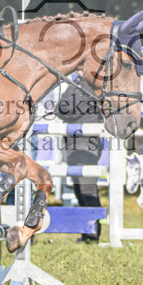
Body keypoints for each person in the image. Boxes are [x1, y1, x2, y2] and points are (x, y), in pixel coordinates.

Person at [55, 78, 104, 243]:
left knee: (87, 189)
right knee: (79, 190)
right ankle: (87, 232)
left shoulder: (92, 84)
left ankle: (93, 233)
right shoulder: (77, 81)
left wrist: (65, 103)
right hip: (73, 142)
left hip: (87, 143)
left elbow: (67, 108)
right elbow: (60, 109)